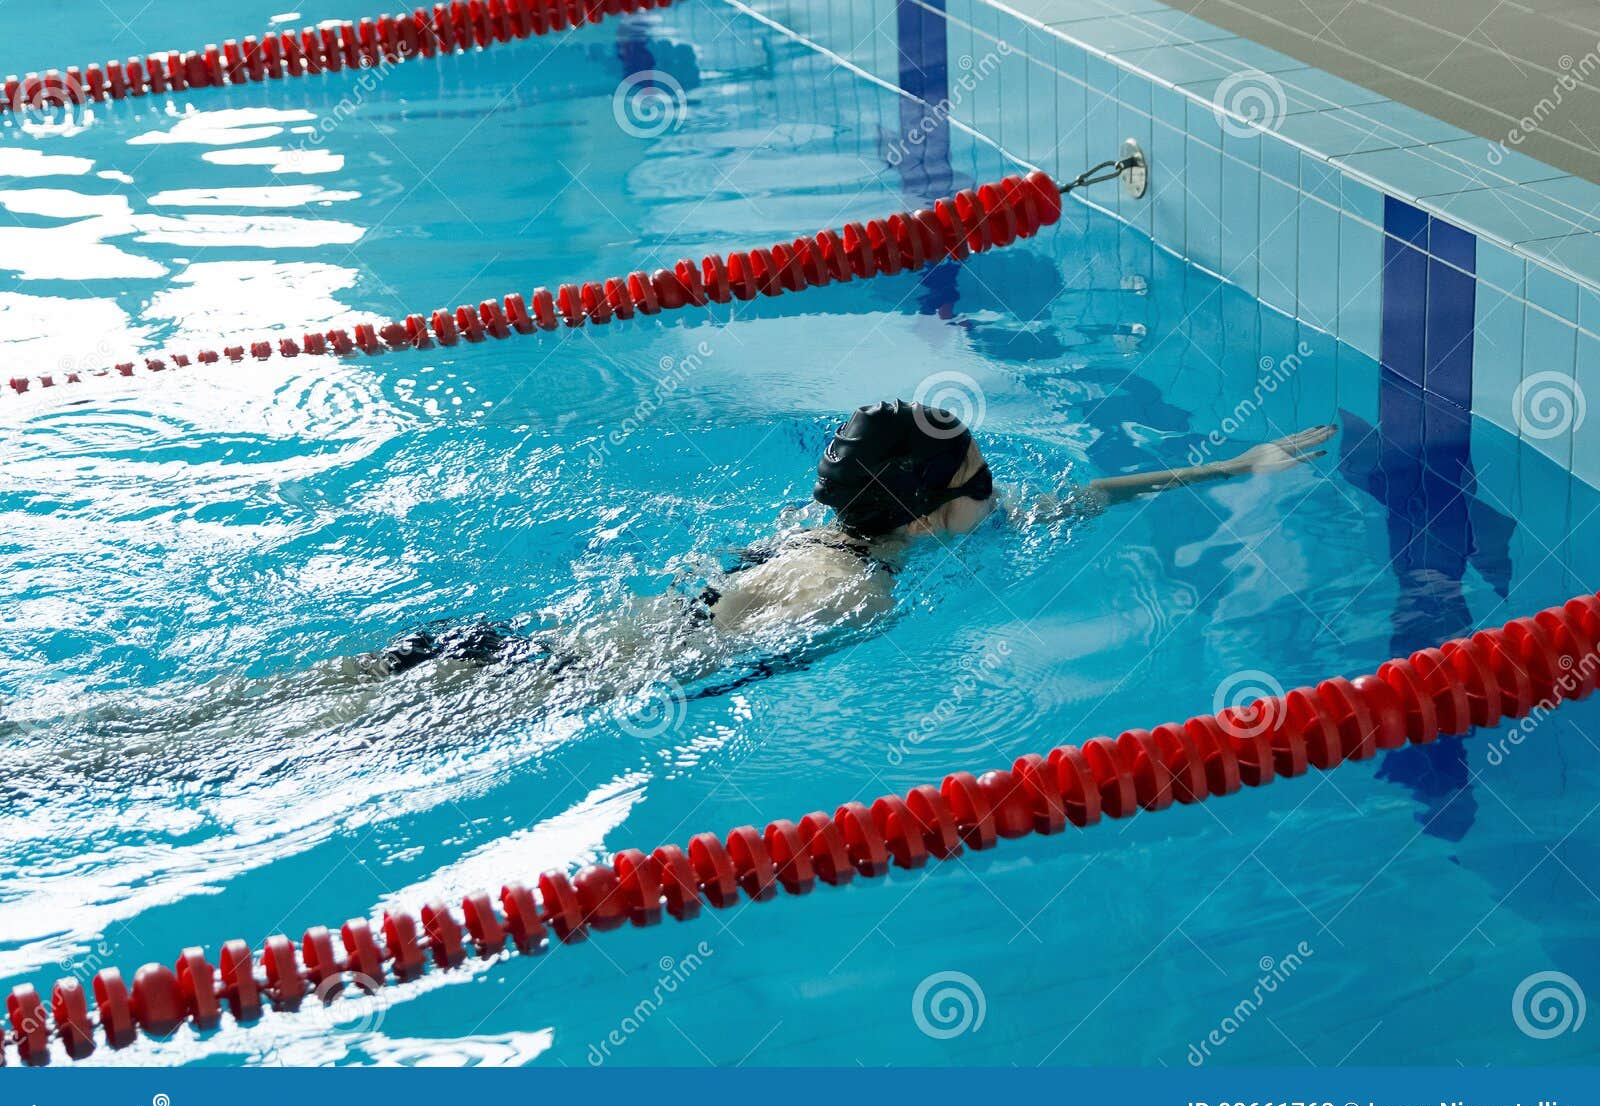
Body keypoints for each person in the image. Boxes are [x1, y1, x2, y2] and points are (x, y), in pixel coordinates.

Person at [369, 400, 1336, 679]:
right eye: (982, 482)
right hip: (530, 687)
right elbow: (715, 673)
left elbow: (1074, 501)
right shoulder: (861, 597)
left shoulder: (826, 535)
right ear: (921, 514)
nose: (1001, 497)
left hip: (508, 641)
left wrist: (1235, 466)